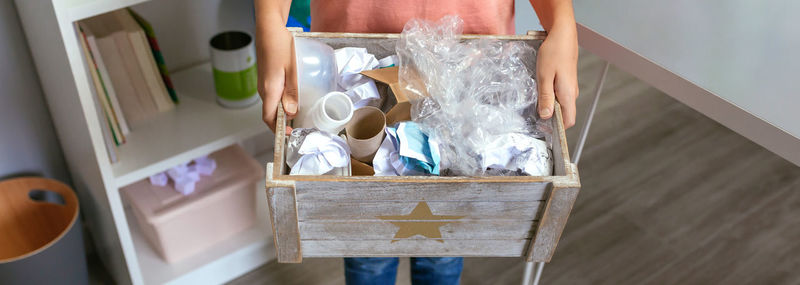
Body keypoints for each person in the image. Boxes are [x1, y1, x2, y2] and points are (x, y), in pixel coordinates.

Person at [254, 0, 578, 284]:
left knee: (443, 247)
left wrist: (561, 20)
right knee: (366, 248)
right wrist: (270, 19)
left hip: (474, 57)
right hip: (343, 50)